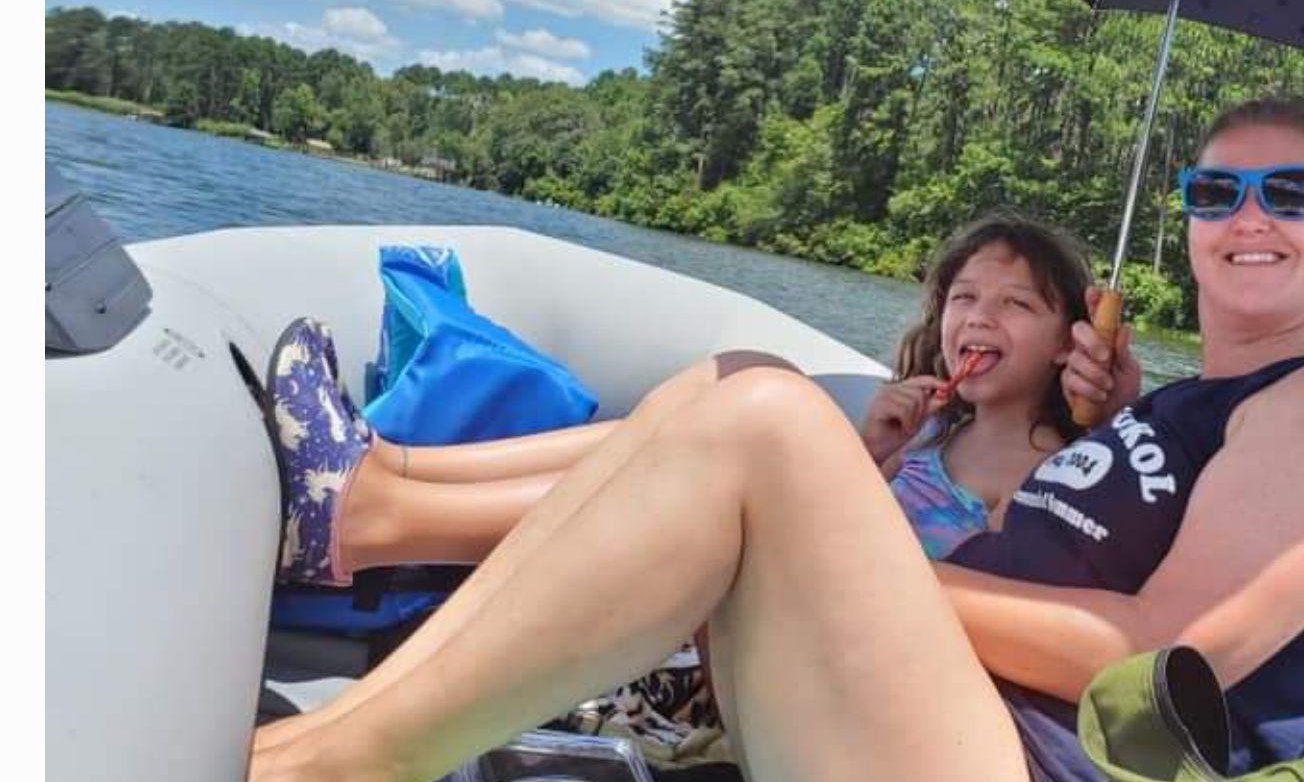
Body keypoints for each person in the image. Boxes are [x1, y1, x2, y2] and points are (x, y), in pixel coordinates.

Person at [233, 99, 1304, 782]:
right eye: (1218, 189)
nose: (1249, 214)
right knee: (742, 385)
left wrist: (868, 562)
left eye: (1292, 193)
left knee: (772, 421)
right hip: (923, 766)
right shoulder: (1189, 411)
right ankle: (373, 532)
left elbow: (1157, 659)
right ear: (1190, 218)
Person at [251, 213, 1108, 589]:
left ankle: (378, 518)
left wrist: (1101, 410)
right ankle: (396, 468)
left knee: (750, 425)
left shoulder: (1053, 471)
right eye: (964, 296)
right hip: (790, 581)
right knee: (745, 370)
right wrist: (876, 449)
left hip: (821, 636)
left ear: (1069, 337)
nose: (978, 316)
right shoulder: (932, 429)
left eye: (1016, 304)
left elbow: (924, 578)